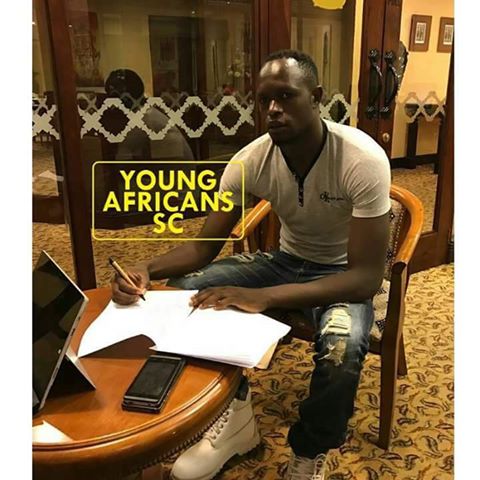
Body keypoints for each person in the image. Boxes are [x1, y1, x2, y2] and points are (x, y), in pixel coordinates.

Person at [111, 50, 391, 480]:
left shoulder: (361, 159)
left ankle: (309, 450)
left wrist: (264, 297)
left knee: (342, 349)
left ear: (316, 97)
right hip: (285, 261)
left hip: (341, 272)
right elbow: (202, 249)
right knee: (184, 292)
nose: (273, 109)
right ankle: (236, 412)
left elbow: (366, 278)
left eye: (286, 96)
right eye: (264, 100)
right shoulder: (250, 161)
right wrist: (147, 268)